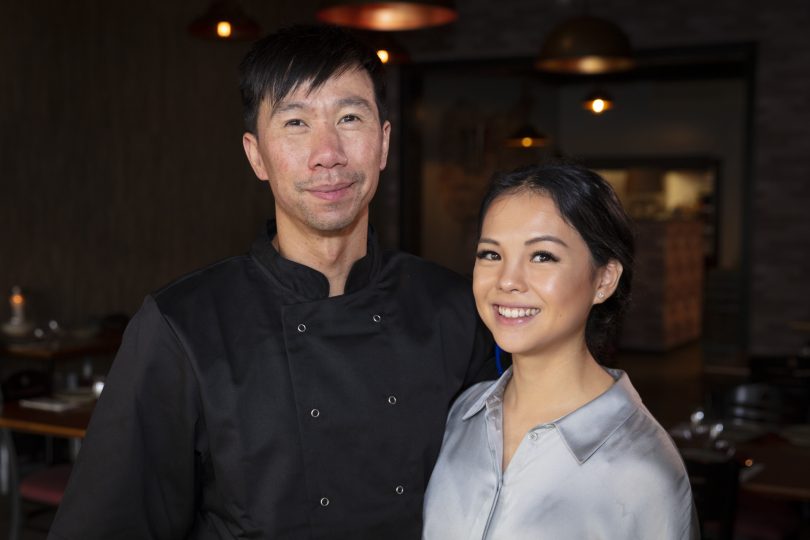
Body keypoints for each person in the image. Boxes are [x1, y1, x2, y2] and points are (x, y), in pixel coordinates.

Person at [49, 24, 493, 540]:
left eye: (350, 117)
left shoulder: (456, 309)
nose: (328, 152)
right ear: (256, 155)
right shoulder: (182, 326)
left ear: (384, 144)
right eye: (296, 123)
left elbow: (502, 496)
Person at [422, 163, 698, 539]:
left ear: (604, 280)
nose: (507, 280)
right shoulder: (462, 416)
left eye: (542, 257)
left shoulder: (645, 472)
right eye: (490, 254)